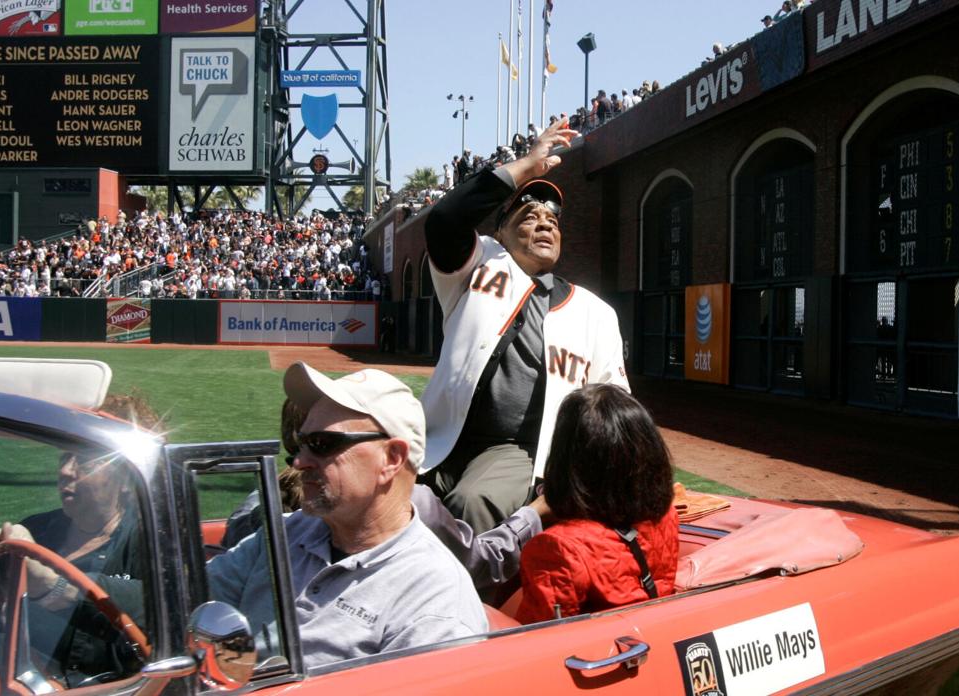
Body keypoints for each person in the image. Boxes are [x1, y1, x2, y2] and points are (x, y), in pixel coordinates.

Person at [420, 118, 629, 535]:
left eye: (553, 219)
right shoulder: (478, 263)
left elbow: (614, 404)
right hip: (438, 438)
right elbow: (444, 220)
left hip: (514, 450)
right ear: (499, 230)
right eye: (528, 214)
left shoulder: (596, 312)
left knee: (472, 504)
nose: (545, 222)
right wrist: (528, 166)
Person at [206, 363, 487, 668]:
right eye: (301, 444)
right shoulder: (284, 533)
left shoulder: (435, 603)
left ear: (391, 459)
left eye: (322, 444)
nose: (299, 461)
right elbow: (195, 600)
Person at [223, 396, 552, 593]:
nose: (301, 461)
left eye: (322, 445)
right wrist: (533, 513)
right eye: (316, 443)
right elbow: (481, 559)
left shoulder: (257, 508)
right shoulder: (415, 503)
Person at [0, 392, 158, 687]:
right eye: (65, 457)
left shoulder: (150, 543)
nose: (65, 471)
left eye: (86, 462)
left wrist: (51, 584)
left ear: (126, 480)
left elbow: (162, 608)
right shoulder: (36, 528)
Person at [515, 384, 678, 624]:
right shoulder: (666, 515)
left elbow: (536, 642)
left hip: (597, 656)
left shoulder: (558, 548)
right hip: (648, 637)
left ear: (568, 458)